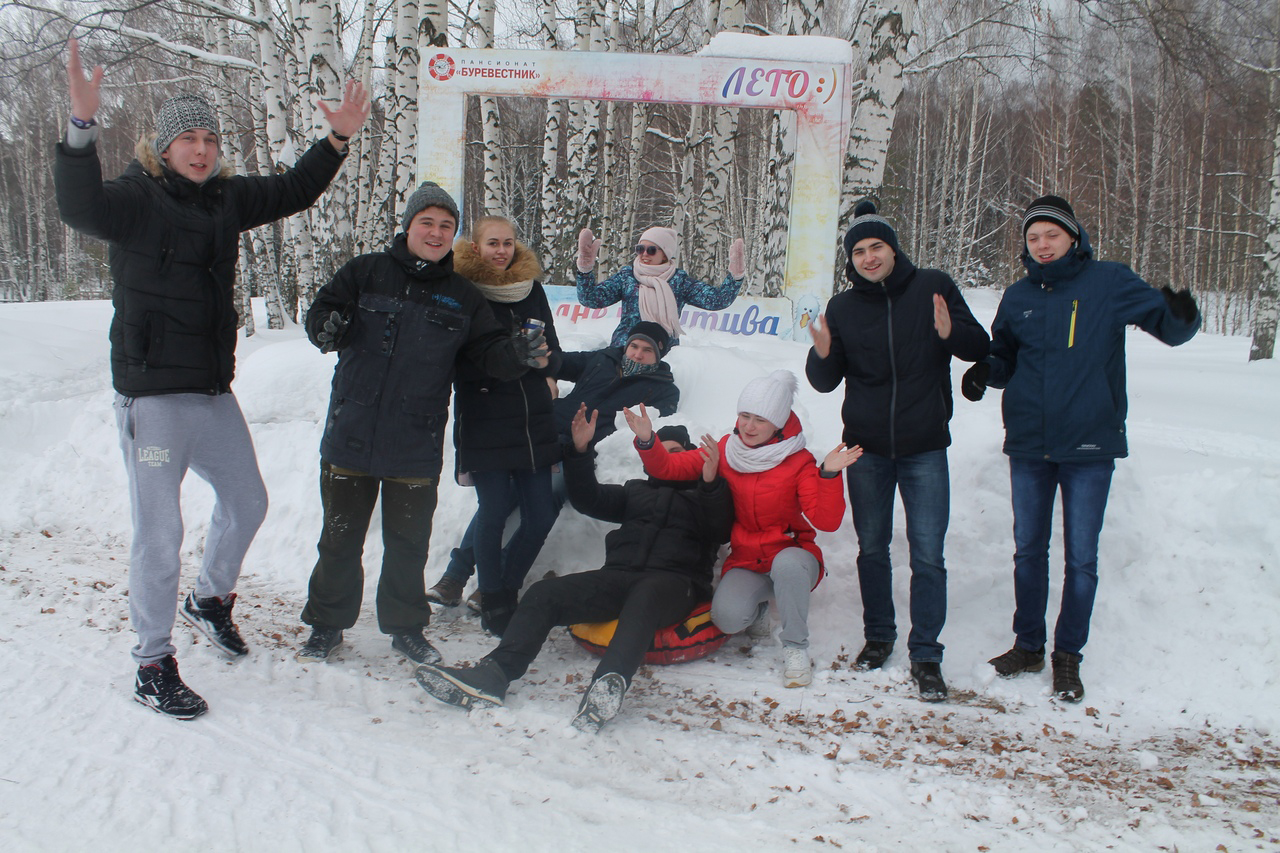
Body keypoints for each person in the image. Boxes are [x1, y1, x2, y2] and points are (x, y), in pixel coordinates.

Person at [55, 38, 370, 720]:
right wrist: (81, 129)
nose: (201, 149)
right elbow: (78, 209)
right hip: (153, 398)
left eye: (209, 138)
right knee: (159, 532)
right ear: (163, 148)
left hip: (209, 390)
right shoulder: (134, 200)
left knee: (249, 500)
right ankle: (151, 660)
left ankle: (209, 598)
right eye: (187, 139)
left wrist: (336, 139)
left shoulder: (225, 199)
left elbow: (292, 189)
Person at [295, 183, 548, 667]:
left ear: (454, 236)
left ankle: (406, 628)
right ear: (408, 225)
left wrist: (516, 354)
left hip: (416, 439)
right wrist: (325, 328)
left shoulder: (462, 297)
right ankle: (326, 625)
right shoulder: (366, 272)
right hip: (352, 430)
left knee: (408, 544)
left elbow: (489, 353)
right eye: (427, 223)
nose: (435, 233)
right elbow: (322, 311)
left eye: (445, 226)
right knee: (340, 536)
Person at [961, 195, 1200, 702]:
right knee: (1028, 551)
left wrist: (1181, 316)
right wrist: (986, 372)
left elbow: (1168, 328)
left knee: (1082, 558)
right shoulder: (1018, 295)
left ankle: (1067, 656)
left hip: (1090, 442)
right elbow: (1004, 355)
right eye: (1032, 238)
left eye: (1051, 235)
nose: (1042, 245)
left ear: (1073, 236)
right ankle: (1027, 646)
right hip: (1029, 442)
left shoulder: (1109, 282)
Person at [415, 407, 734, 733]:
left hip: (675, 582)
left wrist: (710, 485)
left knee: (646, 595)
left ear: (691, 457)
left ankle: (608, 685)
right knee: (544, 593)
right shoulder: (635, 492)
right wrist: (579, 452)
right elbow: (587, 498)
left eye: (677, 453)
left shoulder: (704, 496)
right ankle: (494, 673)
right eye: (663, 453)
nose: (669, 461)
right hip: (619, 575)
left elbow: (720, 529)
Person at [805, 201, 990, 703]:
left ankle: (926, 654)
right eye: (859, 251)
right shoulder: (842, 308)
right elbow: (823, 382)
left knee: (928, 553)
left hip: (924, 445)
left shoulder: (933, 285)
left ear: (893, 248)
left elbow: (979, 345)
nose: (869, 258)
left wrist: (951, 333)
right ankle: (879, 637)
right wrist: (822, 350)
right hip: (866, 449)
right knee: (872, 547)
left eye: (877, 247)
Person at [628, 370, 862, 688]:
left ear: (778, 423)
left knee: (788, 565)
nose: (749, 427)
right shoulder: (727, 449)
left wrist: (829, 476)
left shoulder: (798, 460)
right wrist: (647, 441)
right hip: (748, 558)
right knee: (727, 618)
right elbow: (669, 467)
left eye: (760, 420)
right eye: (745, 416)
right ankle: (759, 604)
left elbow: (826, 521)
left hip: (793, 555)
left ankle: (796, 648)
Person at [426, 320, 681, 609]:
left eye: (646, 350)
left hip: (582, 450)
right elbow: (556, 363)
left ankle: (493, 585)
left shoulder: (662, 390)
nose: (636, 354)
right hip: (544, 435)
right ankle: (454, 578)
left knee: (547, 498)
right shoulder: (603, 358)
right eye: (634, 346)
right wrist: (547, 377)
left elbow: (651, 428)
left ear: (659, 355)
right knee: (500, 497)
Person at [448, 216, 563, 636]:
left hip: (533, 418)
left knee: (539, 514)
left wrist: (545, 361)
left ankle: (507, 587)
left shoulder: (532, 290)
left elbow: (558, 354)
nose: (501, 251)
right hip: (484, 416)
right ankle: (494, 599)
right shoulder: (462, 291)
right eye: (493, 243)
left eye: (508, 243)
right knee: (493, 510)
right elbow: (457, 362)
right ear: (475, 248)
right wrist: (507, 359)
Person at [575, 225, 744, 347]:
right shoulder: (627, 276)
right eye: (640, 249)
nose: (644, 254)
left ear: (665, 253)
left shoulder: (679, 281)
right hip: (624, 347)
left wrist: (735, 278)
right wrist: (585, 271)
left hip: (662, 350)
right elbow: (591, 299)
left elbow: (716, 300)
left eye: (652, 250)